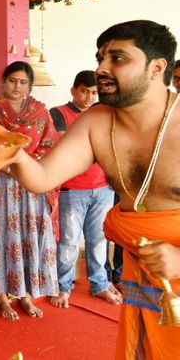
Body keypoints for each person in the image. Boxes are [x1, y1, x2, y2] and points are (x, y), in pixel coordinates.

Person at [0, 20, 180, 359]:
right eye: (100, 59)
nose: (101, 70)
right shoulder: (98, 122)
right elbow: (41, 178)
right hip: (147, 275)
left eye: (118, 59)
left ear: (157, 68)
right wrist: (12, 152)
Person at [0, 61, 59, 320]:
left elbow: (49, 146)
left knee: (28, 236)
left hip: (30, 183)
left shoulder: (40, 112)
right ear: (4, 81)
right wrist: (4, 166)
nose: (17, 86)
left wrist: (26, 166)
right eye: (12, 80)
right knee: (1, 237)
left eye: (23, 82)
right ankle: (1, 296)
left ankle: (25, 295)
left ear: (30, 86)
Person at [48, 71, 120, 308]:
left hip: (103, 188)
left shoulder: (103, 113)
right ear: (73, 90)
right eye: (84, 91)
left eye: (93, 92)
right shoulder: (58, 113)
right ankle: (63, 286)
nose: (89, 96)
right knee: (69, 241)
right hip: (73, 188)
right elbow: (69, 149)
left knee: (99, 240)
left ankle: (99, 284)